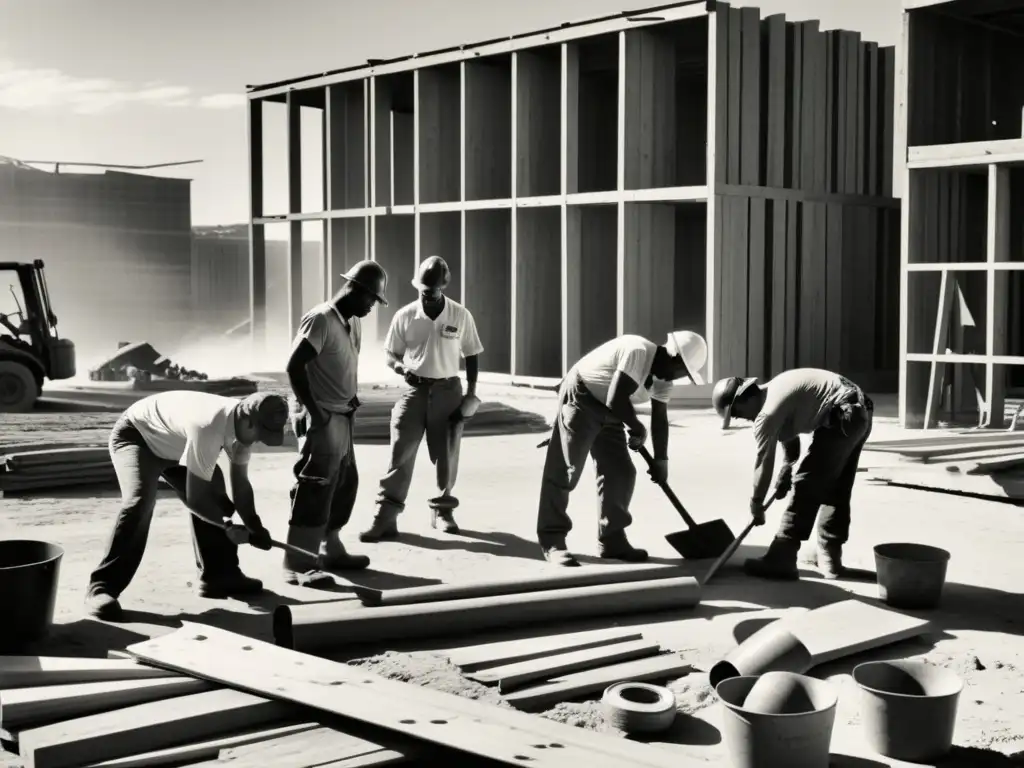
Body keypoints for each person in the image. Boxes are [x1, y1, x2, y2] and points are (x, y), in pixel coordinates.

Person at [85, 391, 287, 621]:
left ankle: (220, 575)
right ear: (249, 421)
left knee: (216, 492)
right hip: (137, 436)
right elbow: (196, 499)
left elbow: (241, 486)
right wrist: (228, 526)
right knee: (139, 502)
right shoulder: (209, 426)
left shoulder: (242, 429)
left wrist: (254, 526)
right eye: (261, 434)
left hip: (176, 444)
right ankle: (101, 588)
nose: (259, 440)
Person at [536, 330, 709, 567]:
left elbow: (659, 420)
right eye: (683, 371)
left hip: (611, 410)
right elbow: (616, 398)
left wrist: (662, 461)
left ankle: (612, 540)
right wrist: (637, 427)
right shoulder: (637, 350)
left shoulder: (663, 380)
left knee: (621, 472)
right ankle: (552, 539)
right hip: (582, 395)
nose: (680, 378)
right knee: (566, 469)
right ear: (674, 356)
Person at [360, 255, 484, 541]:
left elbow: (472, 353)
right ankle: (385, 516)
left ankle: (442, 511)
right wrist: (402, 368)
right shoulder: (404, 315)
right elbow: (390, 353)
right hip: (414, 391)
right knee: (400, 451)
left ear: (443, 287)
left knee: (447, 452)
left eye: (433, 290)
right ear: (418, 286)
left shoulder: (459, 315)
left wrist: (471, 392)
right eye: (423, 290)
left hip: (448, 390)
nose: (427, 295)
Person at [711, 368, 874, 580]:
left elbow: (763, 462)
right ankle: (830, 559)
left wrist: (757, 503)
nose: (743, 419)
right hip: (859, 411)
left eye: (737, 413)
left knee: (807, 483)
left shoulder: (766, 414)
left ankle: (783, 555)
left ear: (743, 400)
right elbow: (788, 433)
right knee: (836, 486)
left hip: (842, 415)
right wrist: (787, 467)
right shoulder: (776, 389)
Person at [284, 259, 389, 587]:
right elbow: (293, 366)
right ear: (355, 290)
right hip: (323, 417)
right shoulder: (321, 320)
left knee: (345, 483)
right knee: (314, 486)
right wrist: (314, 412)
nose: (373, 306)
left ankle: (331, 547)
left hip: (342, 415)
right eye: (372, 298)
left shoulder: (351, 321)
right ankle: (298, 562)